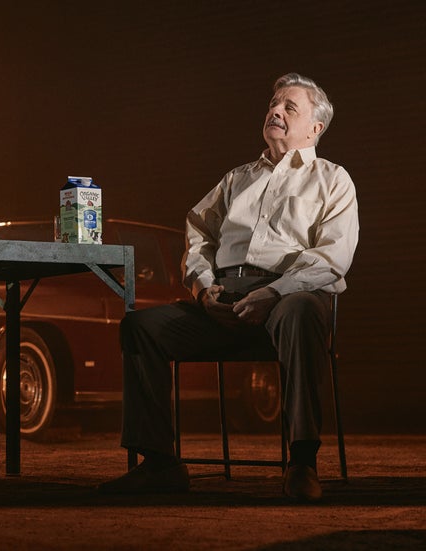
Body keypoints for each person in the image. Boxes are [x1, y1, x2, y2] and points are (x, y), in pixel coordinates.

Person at [98, 73, 359, 501]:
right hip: (224, 301)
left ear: (316, 127)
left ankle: (302, 462)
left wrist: (274, 293)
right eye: (273, 104)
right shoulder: (238, 178)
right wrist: (204, 290)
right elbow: (198, 232)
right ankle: (161, 464)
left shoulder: (332, 179)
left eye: (289, 107)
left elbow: (333, 257)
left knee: (302, 312)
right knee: (141, 328)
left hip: (285, 299)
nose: (275, 111)